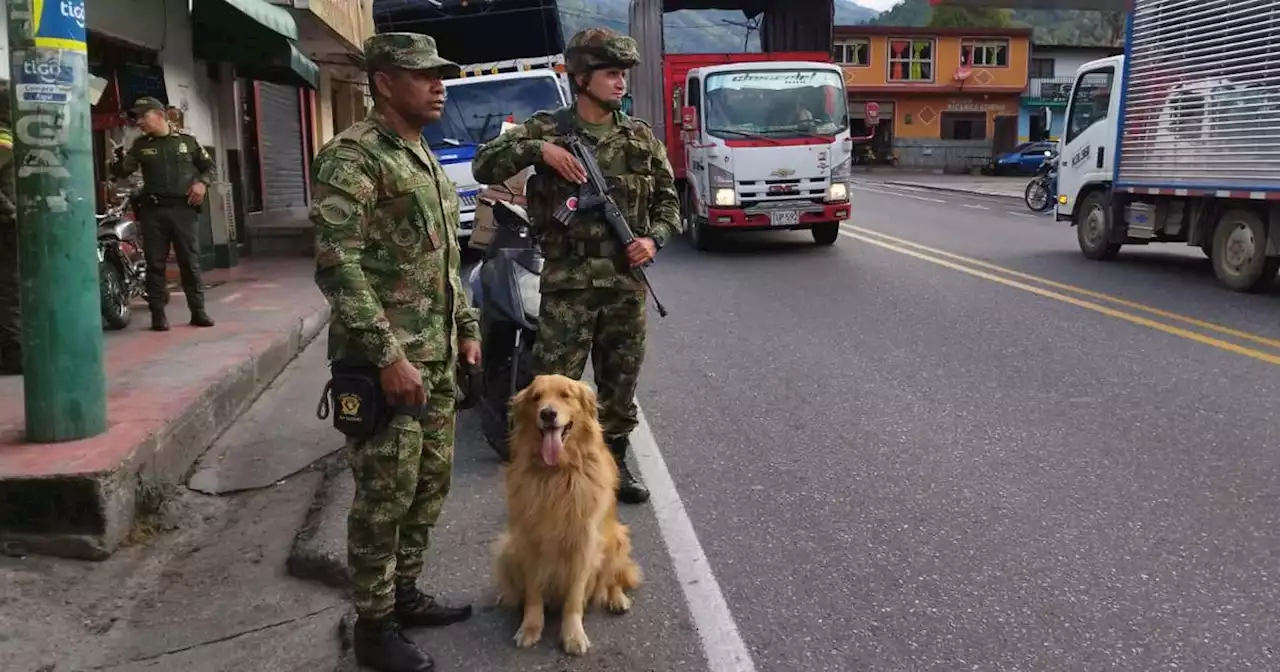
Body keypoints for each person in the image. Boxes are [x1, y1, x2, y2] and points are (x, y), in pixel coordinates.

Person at [310, 32, 480, 672]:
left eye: (441, 74)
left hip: (434, 358)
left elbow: (447, 258)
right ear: (383, 82)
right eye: (423, 75)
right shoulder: (353, 157)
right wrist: (387, 354)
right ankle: (373, 626)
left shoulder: (422, 156)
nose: (439, 85)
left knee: (428, 486)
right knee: (384, 496)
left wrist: (466, 327)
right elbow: (337, 264)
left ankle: (403, 593)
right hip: (387, 367)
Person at [472, 27, 681, 505]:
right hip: (567, 285)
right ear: (581, 77)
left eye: (623, 75)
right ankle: (547, 472)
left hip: (624, 285)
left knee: (619, 384)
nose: (621, 84)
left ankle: (614, 462)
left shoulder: (639, 137)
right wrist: (538, 151)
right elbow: (486, 164)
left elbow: (670, 203)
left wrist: (654, 240)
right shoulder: (548, 129)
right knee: (551, 389)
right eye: (611, 74)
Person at [109, 96, 215, 331]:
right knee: (155, 265)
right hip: (154, 211)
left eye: (143, 117)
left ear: (159, 115)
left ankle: (198, 312)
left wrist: (202, 183)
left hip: (183, 211)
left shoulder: (187, 142)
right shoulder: (141, 146)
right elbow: (123, 171)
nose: (140, 123)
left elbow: (209, 167)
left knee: (190, 262)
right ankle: (158, 315)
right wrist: (116, 160)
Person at [0, 81, 20, 375]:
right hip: (6, 223)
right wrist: (13, 212)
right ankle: (15, 355)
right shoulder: (4, 134)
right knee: (11, 288)